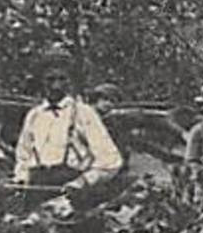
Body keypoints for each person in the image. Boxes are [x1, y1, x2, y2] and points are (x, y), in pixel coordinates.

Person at [13, 49, 123, 190]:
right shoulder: (34, 115)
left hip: (71, 192)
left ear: (70, 81)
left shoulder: (83, 113)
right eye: (50, 79)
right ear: (42, 81)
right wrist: (21, 180)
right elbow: (23, 156)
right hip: (36, 188)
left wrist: (83, 182)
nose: (56, 86)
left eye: (62, 79)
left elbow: (110, 160)